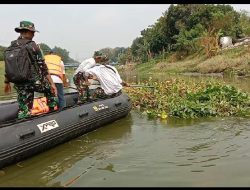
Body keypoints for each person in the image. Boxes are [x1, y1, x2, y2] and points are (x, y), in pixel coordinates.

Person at [4, 21, 57, 119]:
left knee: (24, 106)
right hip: (33, 81)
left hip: (18, 82)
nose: (34, 34)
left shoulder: (11, 46)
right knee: (51, 90)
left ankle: (23, 119)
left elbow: (9, 66)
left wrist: (7, 82)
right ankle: (52, 114)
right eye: (32, 32)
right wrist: (52, 84)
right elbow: (43, 66)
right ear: (26, 32)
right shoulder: (32, 45)